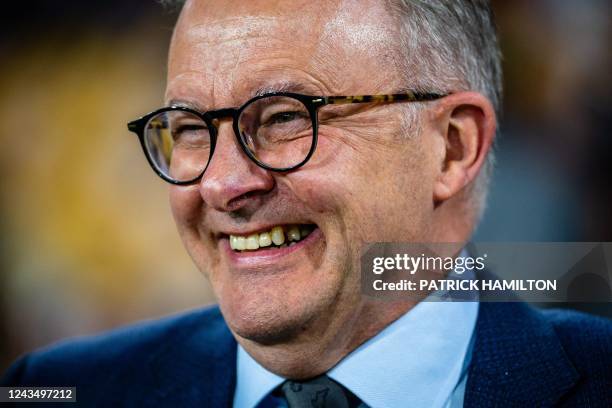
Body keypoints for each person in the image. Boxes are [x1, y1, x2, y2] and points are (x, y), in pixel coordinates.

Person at [2, 0, 611, 406]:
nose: (221, 184)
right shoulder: (58, 389)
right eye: (189, 128)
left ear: (451, 148)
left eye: (287, 118)